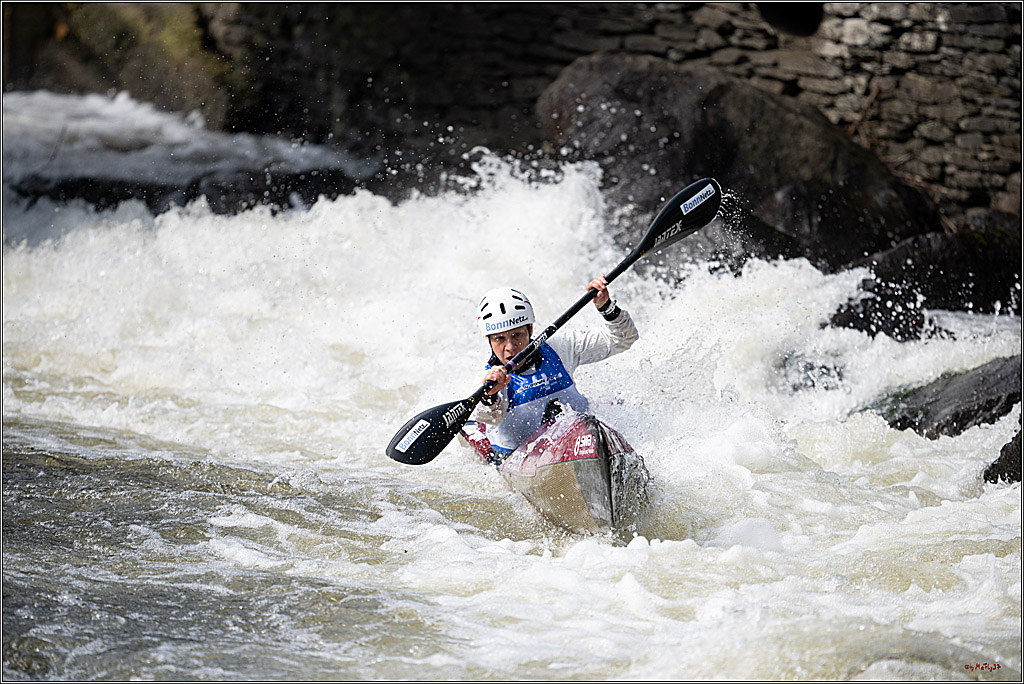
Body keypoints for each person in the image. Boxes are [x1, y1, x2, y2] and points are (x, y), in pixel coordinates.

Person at [466, 275, 639, 461]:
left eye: (517, 335)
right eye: (499, 338)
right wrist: (490, 396)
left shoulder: (560, 348)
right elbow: (486, 416)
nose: (510, 347)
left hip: (581, 442)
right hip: (522, 458)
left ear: (530, 329)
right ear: (489, 341)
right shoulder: (487, 381)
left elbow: (622, 339)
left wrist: (606, 307)